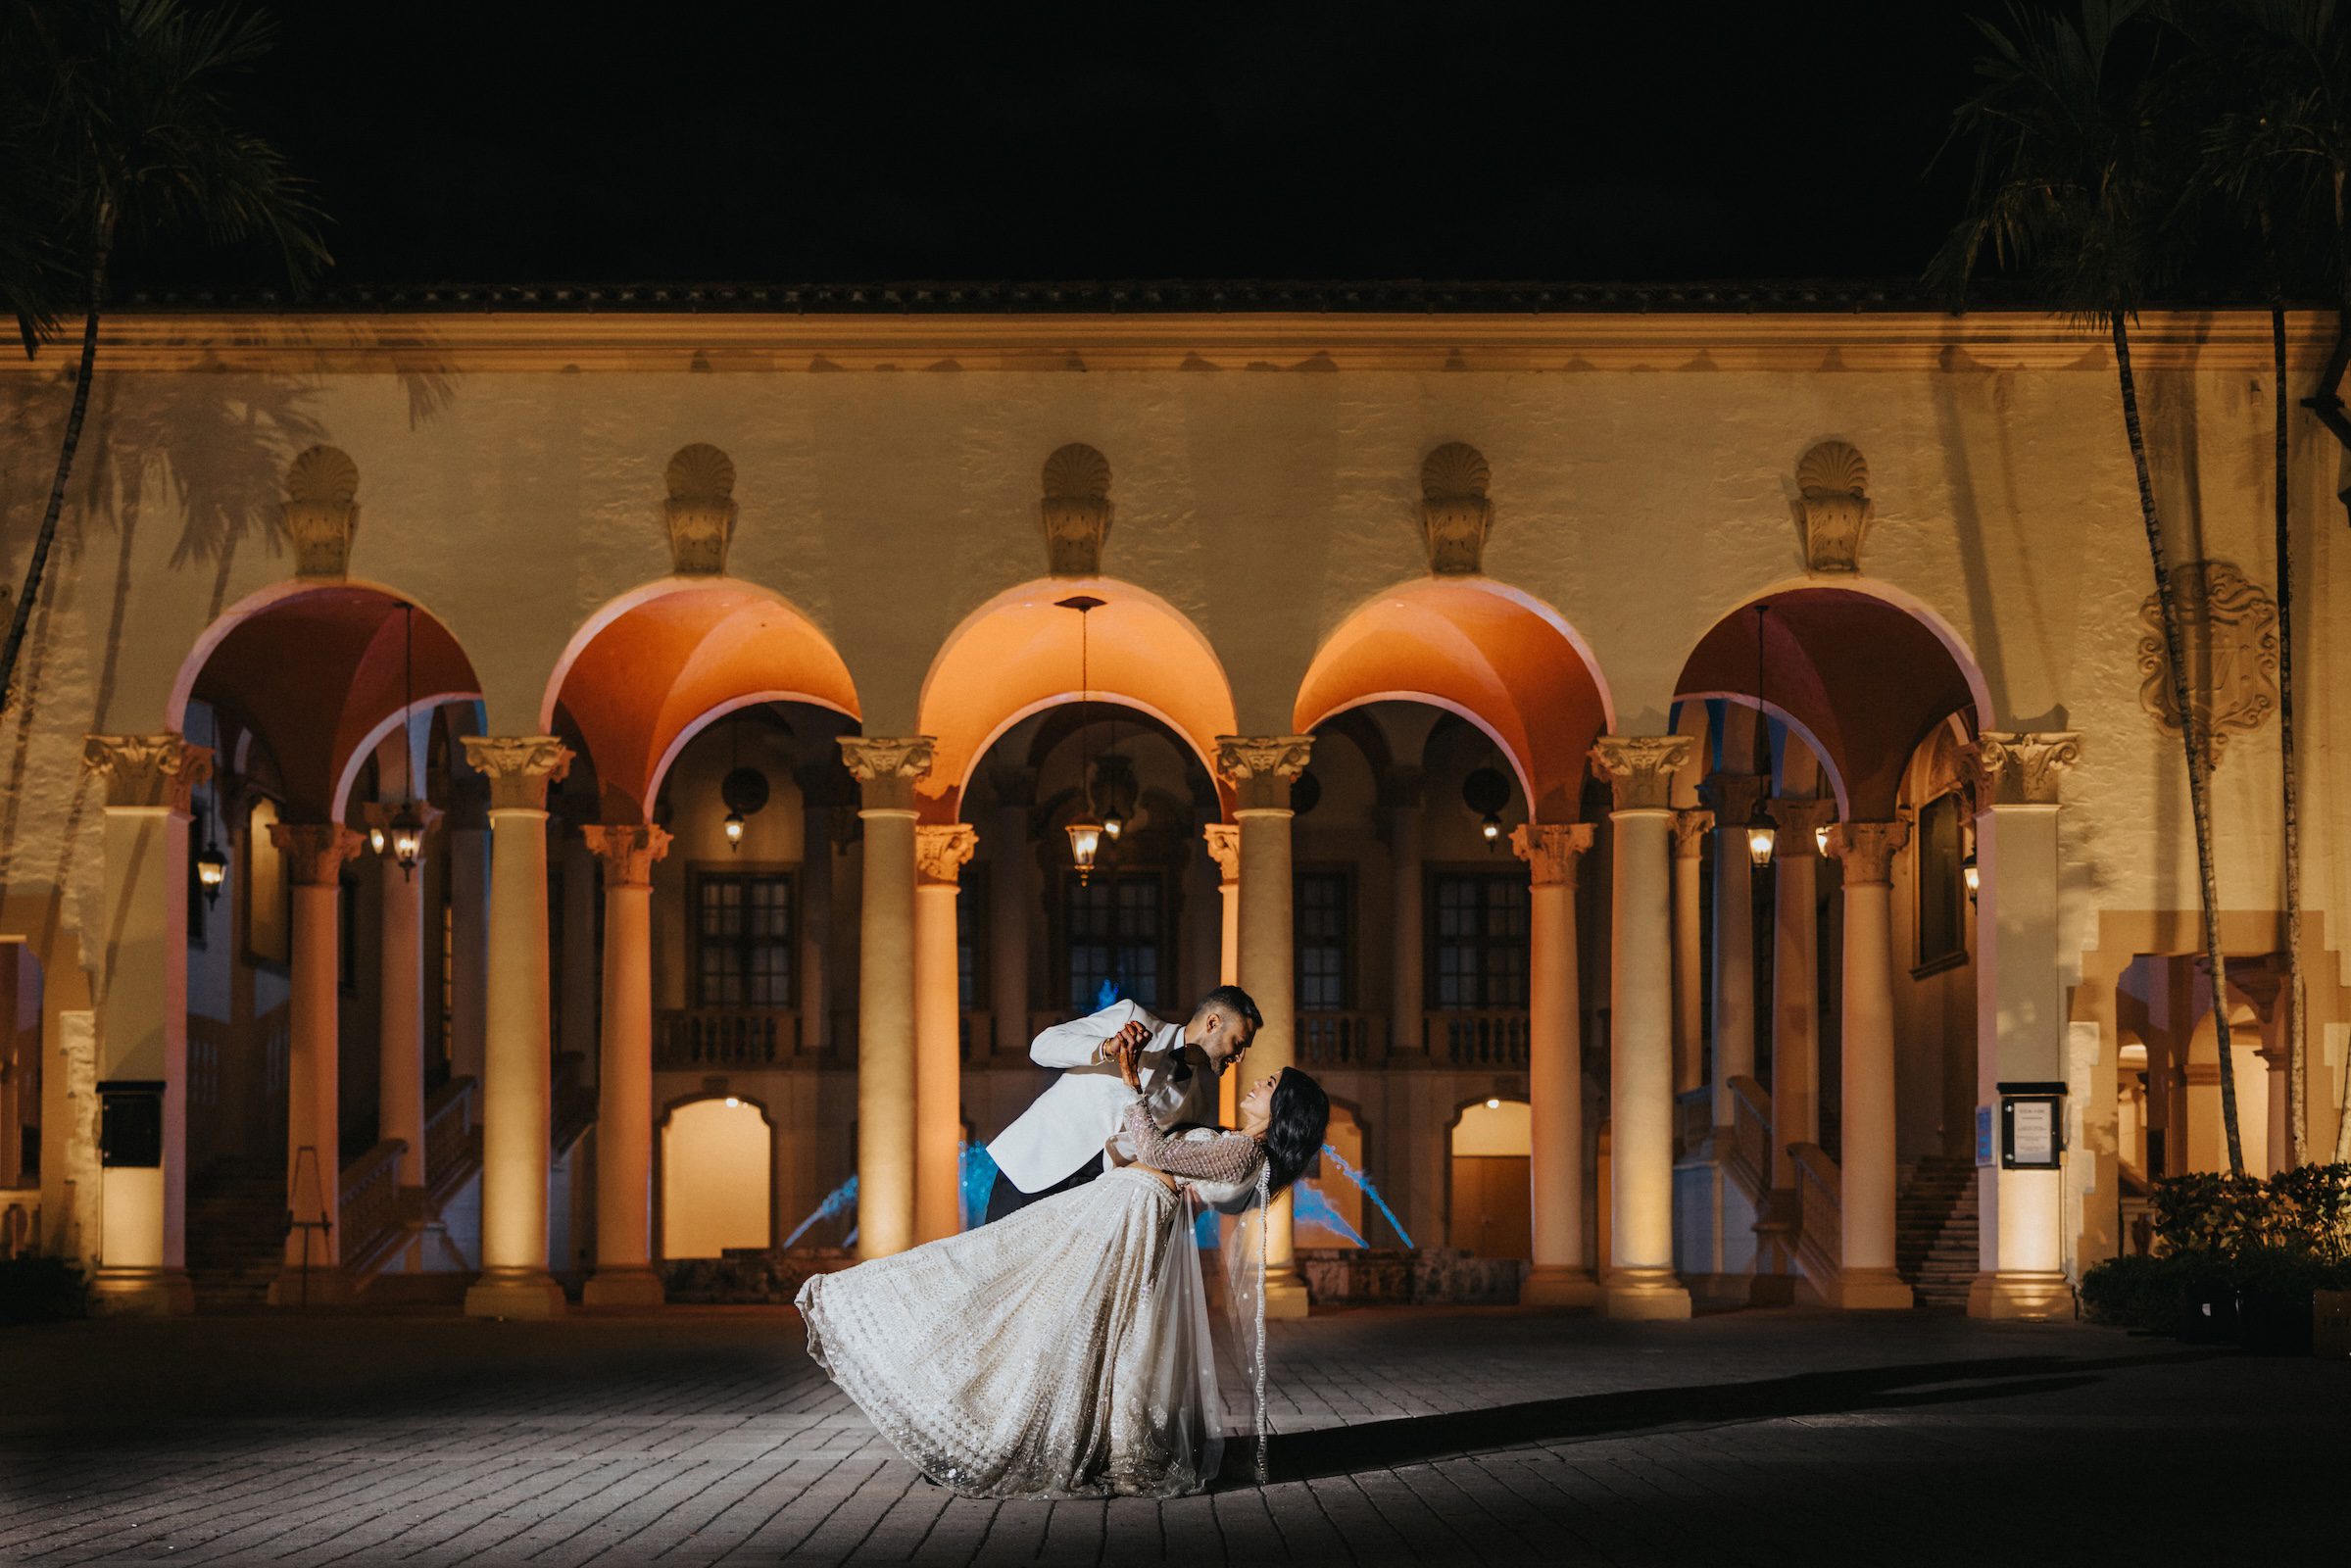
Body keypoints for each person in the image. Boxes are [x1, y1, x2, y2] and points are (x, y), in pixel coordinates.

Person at [796, 1040, 1331, 1498]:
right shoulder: (1240, 1150)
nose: (1256, 1082)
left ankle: (1009, 1430)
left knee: (1035, 1296)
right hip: (1120, 1209)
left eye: (1269, 1083)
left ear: (1283, 1108)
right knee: (1027, 1288)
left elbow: (1152, 1148)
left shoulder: (1240, 1154)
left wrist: (1128, 1080)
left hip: (1123, 1217)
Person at [982, 986, 1260, 1224]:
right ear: (1212, 1023)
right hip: (1033, 1167)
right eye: (1238, 1042)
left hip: (1086, 1205)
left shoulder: (1197, 1104)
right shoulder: (1131, 1017)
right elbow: (1041, 1046)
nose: (1240, 1056)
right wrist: (1105, 1047)